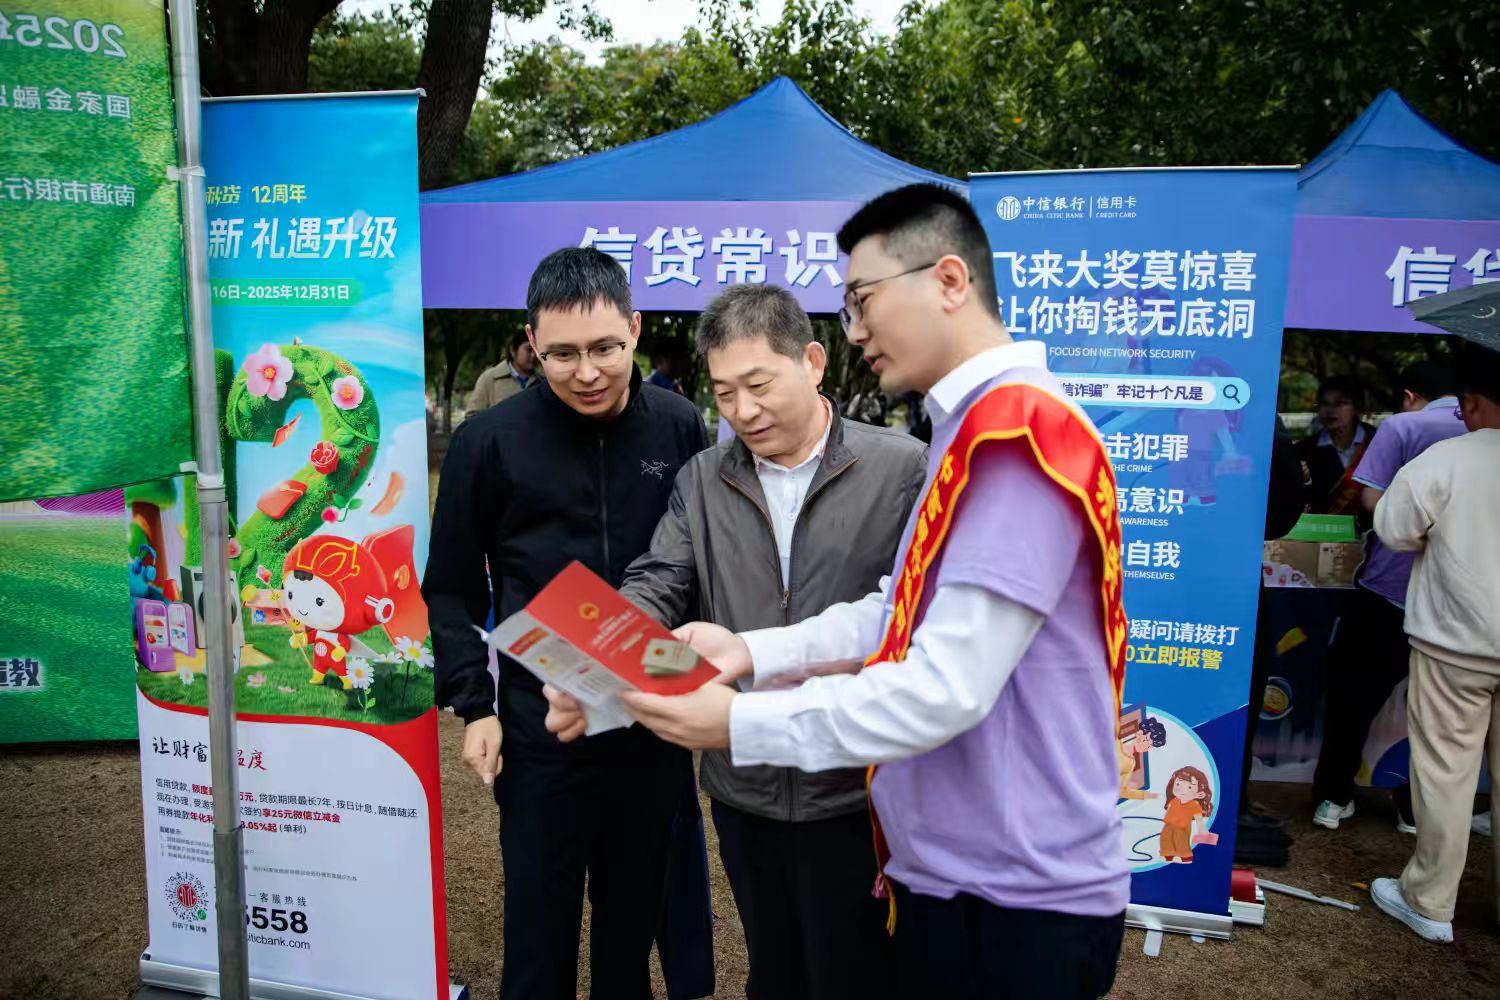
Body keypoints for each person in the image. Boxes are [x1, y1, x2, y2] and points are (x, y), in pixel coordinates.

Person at [549, 184, 1131, 997]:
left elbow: (945, 686)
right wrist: (746, 650)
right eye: (725, 393)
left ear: (948, 280)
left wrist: (739, 719)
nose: (857, 328)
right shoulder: (966, 431)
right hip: (951, 865)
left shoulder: (1013, 437)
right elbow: (897, 611)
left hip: (1007, 887)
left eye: (864, 299)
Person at [609, 284, 925, 999]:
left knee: (857, 975)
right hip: (743, 783)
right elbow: (660, 578)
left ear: (812, 361)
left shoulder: (901, 468)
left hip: (857, 788)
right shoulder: (703, 477)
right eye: (724, 394)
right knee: (774, 970)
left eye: (758, 385)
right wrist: (610, 643)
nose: (743, 411)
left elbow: (906, 617)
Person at [424, 247, 710, 999]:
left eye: (606, 348)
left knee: (631, 929)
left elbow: (700, 568)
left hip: (649, 718)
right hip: (539, 726)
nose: (587, 372)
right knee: (538, 936)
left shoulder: (679, 426)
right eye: (562, 354)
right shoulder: (489, 441)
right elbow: (450, 587)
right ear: (531, 342)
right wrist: (475, 706)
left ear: (636, 329)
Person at [1368, 345, 1500, 944]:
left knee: (1446, 773)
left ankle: (1429, 901)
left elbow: (1393, 529)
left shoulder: (1446, 459)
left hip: (1456, 644)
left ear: (1470, 403)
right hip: (1464, 641)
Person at [1311, 362, 1463, 833]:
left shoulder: (1402, 427)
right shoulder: (1487, 434)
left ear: (1410, 395)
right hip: (1461, 598)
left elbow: (1371, 502)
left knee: (1353, 696)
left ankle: (1333, 797)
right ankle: (1418, 810)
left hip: (1391, 586)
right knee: (1444, 713)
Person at [1296, 375, 1376, 518]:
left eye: (1340, 403)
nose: (1330, 410)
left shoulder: (1377, 443)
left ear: (1357, 407)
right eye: (1324, 403)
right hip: (1322, 529)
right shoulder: (1304, 450)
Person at [468, 329, 538, 413]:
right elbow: (472, 416)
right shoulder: (489, 379)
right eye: (529, 349)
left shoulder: (544, 379)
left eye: (536, 350)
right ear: (513, 351)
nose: (534, 355)